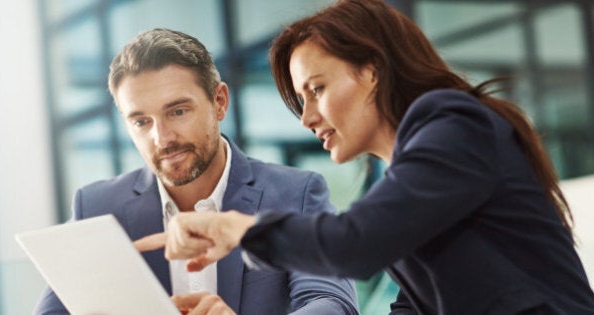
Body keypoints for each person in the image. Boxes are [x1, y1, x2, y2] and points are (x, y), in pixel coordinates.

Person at [141, 0, 594, 314]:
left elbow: (353, 242)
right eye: (301, 100)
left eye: (317, 90)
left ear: (372, 71)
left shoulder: (454, 124)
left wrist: (235, 227)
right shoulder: (415, 181)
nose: (308, 118)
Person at [33, 28, 359, 315]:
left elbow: (331, 302)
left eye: (177, 111)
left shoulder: (293, 193)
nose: (162, 138)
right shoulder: (97, 207)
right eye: (141, 122)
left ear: (219, 102)